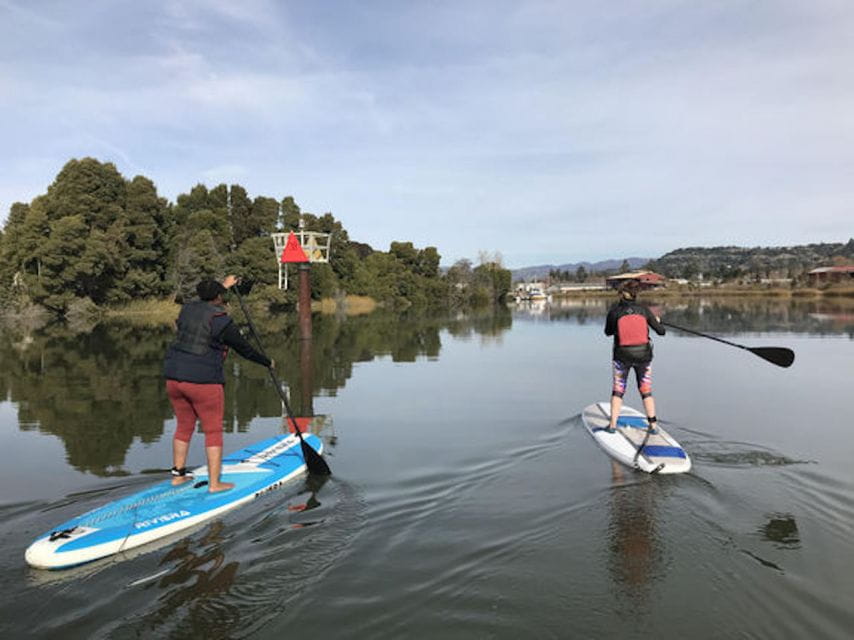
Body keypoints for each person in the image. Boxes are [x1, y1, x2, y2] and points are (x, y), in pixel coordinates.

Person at [163, 276, 273, 492]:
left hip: (173, 377)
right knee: (213, 431)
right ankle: (214, 484)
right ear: (219, 297)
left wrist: (224, 285)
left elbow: (207, 297)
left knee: (184, 426)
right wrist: (267, 362)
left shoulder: (187, 309)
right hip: (203, 382)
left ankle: (178, 476)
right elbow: (245, 349)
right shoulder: (221, 321)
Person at [603, 279, 665, 432]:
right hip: (644, 356)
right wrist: (657, 321)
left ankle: (612, 425)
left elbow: (608, 332)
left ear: (621, 295)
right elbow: (661, 331)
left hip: (621, 356)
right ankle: (653, 425)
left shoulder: (615, 312)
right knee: (646, 389)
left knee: (618, 390)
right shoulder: (644, 311)